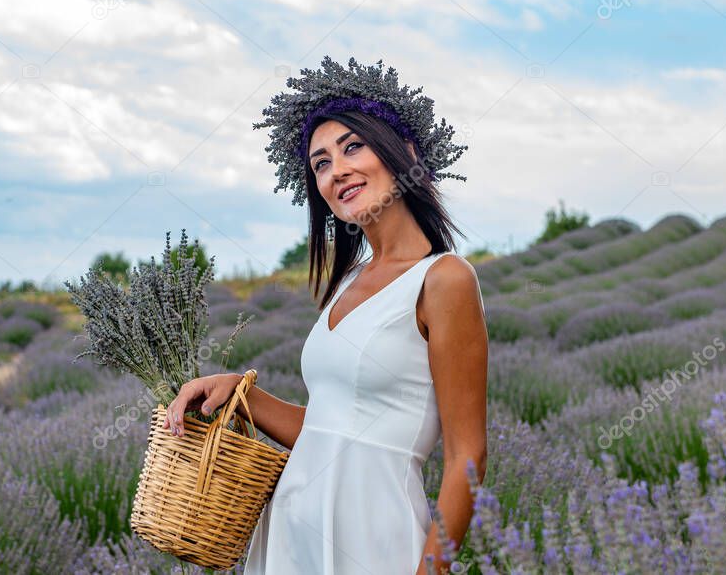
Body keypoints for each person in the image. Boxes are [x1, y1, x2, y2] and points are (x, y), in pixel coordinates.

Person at [163, 56, 488, 574]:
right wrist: (241, 393)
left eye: (352, 147)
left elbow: (467, 458)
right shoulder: (347, 282)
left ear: (403, 152)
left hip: (375, 538)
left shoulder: (444, 279)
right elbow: (333, 429)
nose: (337, 170)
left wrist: (433, 571)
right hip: (293, 533)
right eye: (319, 163)